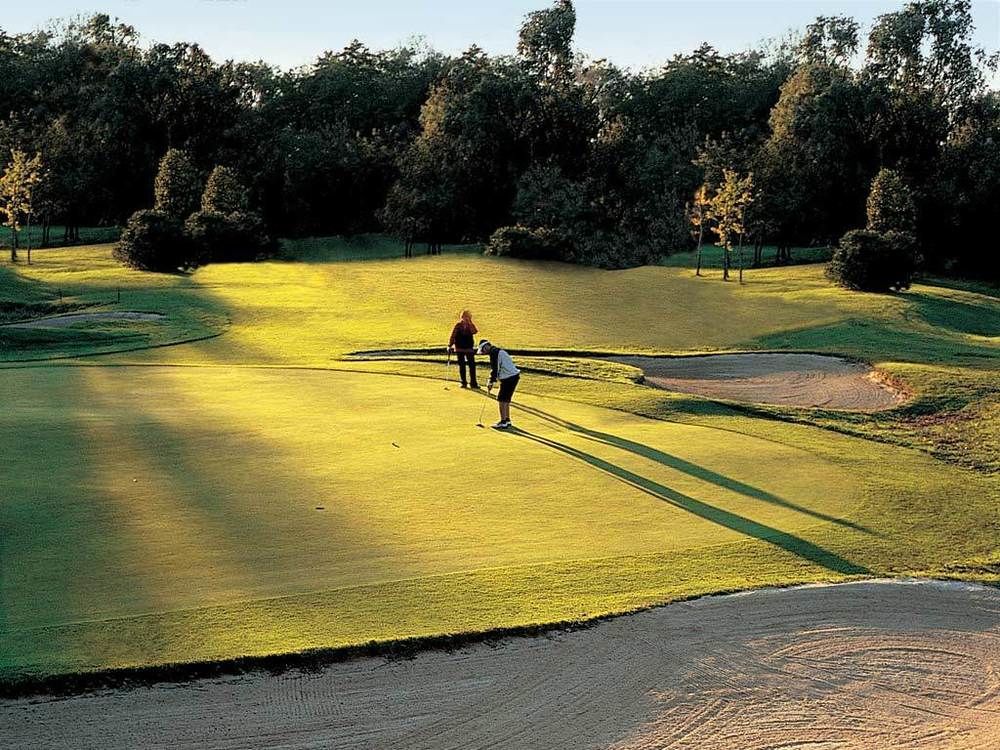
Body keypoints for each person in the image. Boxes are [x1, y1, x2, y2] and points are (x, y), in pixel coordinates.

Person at [477, 339, 520, 429]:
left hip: (508, 378)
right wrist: (492, 380)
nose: (483, 352)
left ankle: (503, 421)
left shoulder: (494, 353)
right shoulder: (496, 350)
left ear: (486, 346)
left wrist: (491, 381)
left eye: (483, 350)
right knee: (506, 399)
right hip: (514, 376)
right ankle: (507, 420)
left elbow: (495, 369)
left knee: (501, 399)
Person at [448, 310, 479, 389]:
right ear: (462, 317)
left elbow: (474, 331)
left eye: (467, 317)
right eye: (464, 317)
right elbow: (453, 335)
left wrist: (470, 323)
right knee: (462, 366)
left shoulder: (470, 325)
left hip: (469, 348)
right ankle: (463, 382)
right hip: (459, 348)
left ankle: (473, 383)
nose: (465, 319)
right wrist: (450, 345)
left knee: (472, 366)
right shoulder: (458, 325)